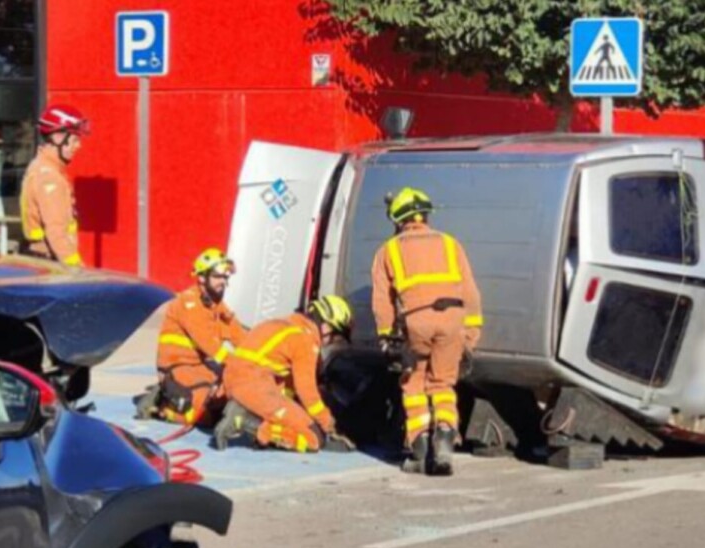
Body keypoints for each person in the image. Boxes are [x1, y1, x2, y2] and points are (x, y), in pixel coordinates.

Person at [372, 187, 482, 476]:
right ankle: (445, 438)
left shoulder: (389, 250)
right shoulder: (450, 244)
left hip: (416, 321)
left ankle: (419, 447)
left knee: (414, 382)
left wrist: (386, 337)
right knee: (443, 383)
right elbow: (470, 291)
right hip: (453, 319)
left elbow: (382, 300)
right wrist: (470, 335)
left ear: (397, 219)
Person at [219, 295, 352, 452]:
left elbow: (285, 386)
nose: (331, 342)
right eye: (336, 336)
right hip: (252, 385)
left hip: (236, 381)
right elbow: (307, 392)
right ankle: (247, 422)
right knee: (313, 438)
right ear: (327, 327)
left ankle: (245, 413)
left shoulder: (283, 324)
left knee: (293, 418)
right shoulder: (306, 340)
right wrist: (327, 424)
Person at [145, 248, 246, 426]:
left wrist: (257, 356)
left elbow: (237, 333)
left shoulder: (217, 305)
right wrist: (237, 363)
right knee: (203, 415)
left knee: (230, 391)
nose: (222, 281)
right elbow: (207, 342)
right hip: (177, 364)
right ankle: (162, 404)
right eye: (217, 277)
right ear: (201, 277)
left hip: (200, 366)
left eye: (225, 277)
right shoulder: (188, 302)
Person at [21, 103, 89, 266]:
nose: (77, 146)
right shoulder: (49, 178)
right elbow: (56, 233)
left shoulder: (43, 168)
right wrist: (78, 270)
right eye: (74, 140)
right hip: (51, 264)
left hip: (43, 261)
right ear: (58, 137)